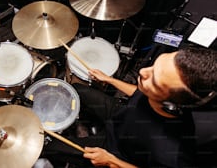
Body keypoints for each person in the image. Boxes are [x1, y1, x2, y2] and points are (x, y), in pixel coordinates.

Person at [42, 46, 217, 168]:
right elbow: (138, 92)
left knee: (51, 148)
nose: (142, 72)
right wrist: (109, 80)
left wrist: (111, 161)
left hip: (114, 149)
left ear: (170, 106)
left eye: (154, 80)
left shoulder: (172, 154)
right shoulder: (157, 94)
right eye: (155, 65)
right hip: (121, 116)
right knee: (77, 89)